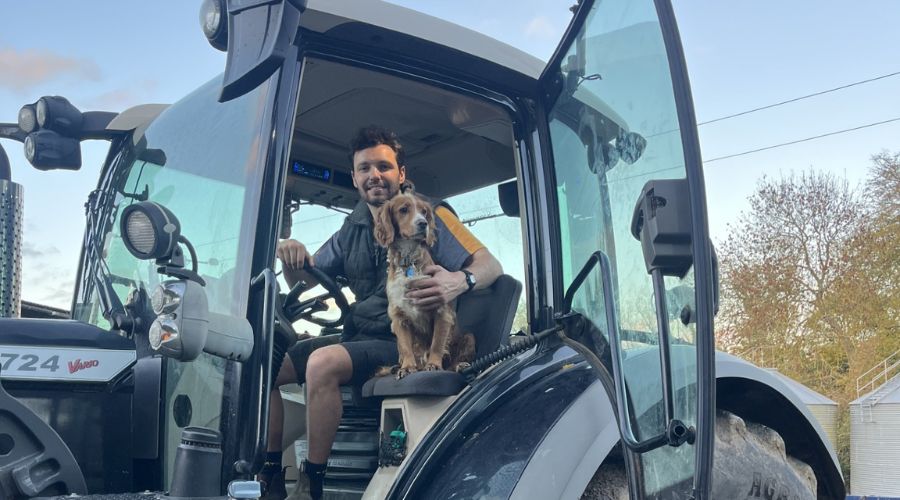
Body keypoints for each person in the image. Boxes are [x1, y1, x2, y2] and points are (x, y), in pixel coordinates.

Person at [261, 125, 503, 500]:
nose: (374, 175)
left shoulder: (428, 212)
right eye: (364, 168)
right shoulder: (352, 226)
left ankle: (312, 485)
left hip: (403, 338)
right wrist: (292, 255)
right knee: (268, 368)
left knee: (322, 364)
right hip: (358, 334)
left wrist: (460, 280)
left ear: (400, 174)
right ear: (355, 178)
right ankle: (271, 475)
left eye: (384, 166)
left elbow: (490, 264)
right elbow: (307, 277)